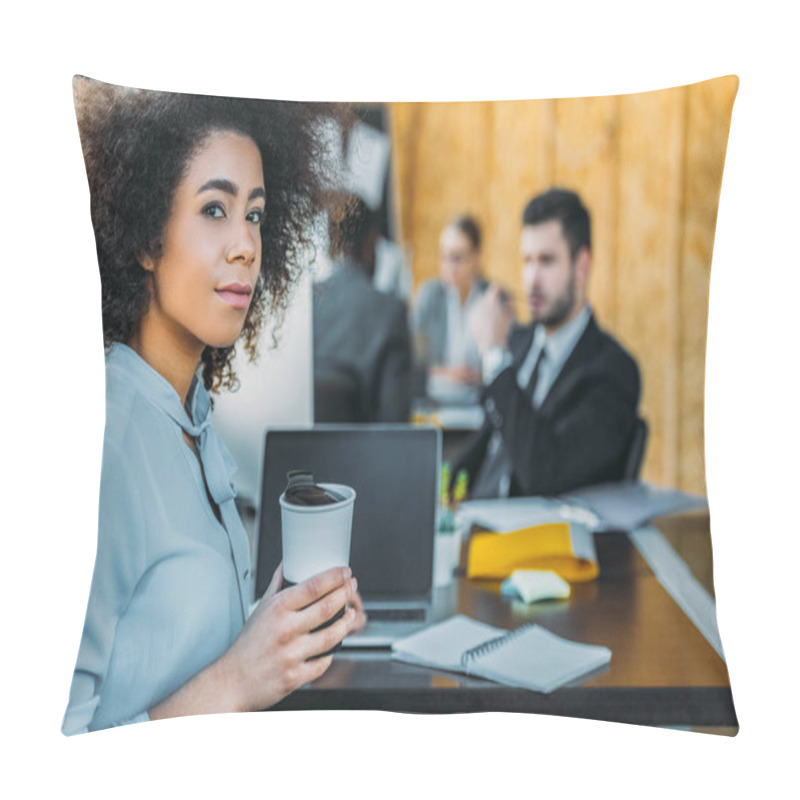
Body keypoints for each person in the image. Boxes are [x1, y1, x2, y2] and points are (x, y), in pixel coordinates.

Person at [63, 77, 366, 735]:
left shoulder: (195, 417)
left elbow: (177, 648)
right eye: (214, 210)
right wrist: (240, 678)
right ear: (145, 237)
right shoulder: (106, 442)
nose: (245, 245)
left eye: (255, 214)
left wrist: (281, 627)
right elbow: (51, 762)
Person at [455, 188, 641, 498]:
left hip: (534, 537)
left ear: (582, 267)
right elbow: (487, 445)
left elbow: (548, 474)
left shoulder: (613, 371)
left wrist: (494, 357)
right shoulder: (519, 342)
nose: (532, 279)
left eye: (547, 261)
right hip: (471, 517)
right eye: (527, 261)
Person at [313, 194, 412, 422]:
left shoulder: (303, 308)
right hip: (368, 456)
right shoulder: (391, 313)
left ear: (330, 244)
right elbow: (395, 424)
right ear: (371, 243)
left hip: (300, 454)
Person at [410, 215, 490, 403]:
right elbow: (413, 358)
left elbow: (509, 361)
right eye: (444, 257)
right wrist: (449, 374)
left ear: (477, 257)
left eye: (457, 258)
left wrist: (479, 376)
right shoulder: (429, 296)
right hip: (436, 401)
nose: (449, 267)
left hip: (480, 401)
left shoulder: (493, 299)